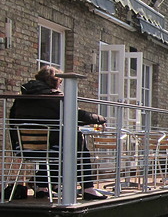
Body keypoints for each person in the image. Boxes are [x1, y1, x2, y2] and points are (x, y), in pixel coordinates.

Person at [9, 66, 107, 200]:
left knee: (54, 144)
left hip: (23, 147)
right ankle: (88, 187)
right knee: (75, 145)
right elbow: (79, 114)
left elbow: (12, 120)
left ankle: (42, 186)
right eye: (60, 83)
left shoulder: (21, 99)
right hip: (52, 147)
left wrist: (15, 142)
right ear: (56, 82)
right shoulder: (55, 98)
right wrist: (101, 119)